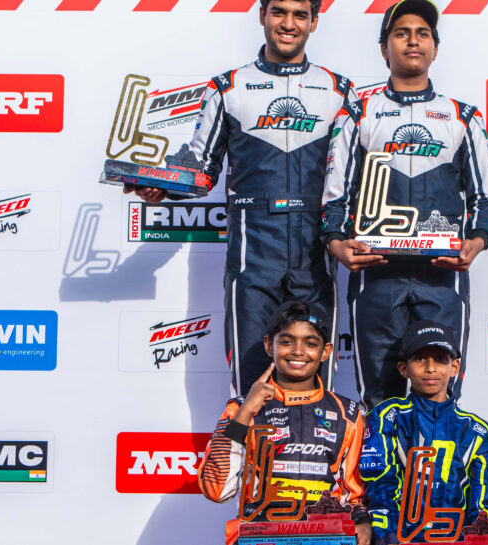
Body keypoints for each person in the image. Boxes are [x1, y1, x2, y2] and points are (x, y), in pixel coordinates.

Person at [126, 0, 356, 396]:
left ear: (314, 22)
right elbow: (200, 171)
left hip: (314, 245)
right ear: (262, 14)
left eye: (299, 15)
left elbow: (355, 174)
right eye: (279, 12)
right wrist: (161, 187)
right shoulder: (228, 87)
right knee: (251, 372)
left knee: (318, 376)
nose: (288, 23)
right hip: (254, 244)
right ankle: (249, 458)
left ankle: (317, 456)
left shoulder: (339, 90)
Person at [321, 0, 488, 409]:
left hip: (441, 277)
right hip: (376, 274)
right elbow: (335, 197)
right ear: (384, 48)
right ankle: (382, 476)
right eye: (401, 33)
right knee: (379, 396)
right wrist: (336, 243)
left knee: (441, 396)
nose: (413, 41)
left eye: (423, 34)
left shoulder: (462, 117)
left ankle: (439, 475)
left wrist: (476, 241)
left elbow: (485, 200)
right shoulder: (358, 113)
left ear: (436, 48)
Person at [197, 302, 372, 545]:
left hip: (325, 537)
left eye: (310, 343)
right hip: (259, 536)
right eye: (287, 341)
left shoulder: (348, 413)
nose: (298, 351)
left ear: (326, 350)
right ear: (269, 345)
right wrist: (247, 411)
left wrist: (362, 521)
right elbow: (215, 489)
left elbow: (353, 493)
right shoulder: (240, 408)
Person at [359, 320, 488, 545]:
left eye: (440, 359)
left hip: (457, 539)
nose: (431, 368)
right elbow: (381, 487)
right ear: (403, 368)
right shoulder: (388, 416)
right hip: (401, 538)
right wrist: (391, 538)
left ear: (454, 367)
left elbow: (486, 502)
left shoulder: (477, 430)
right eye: (419, 359)